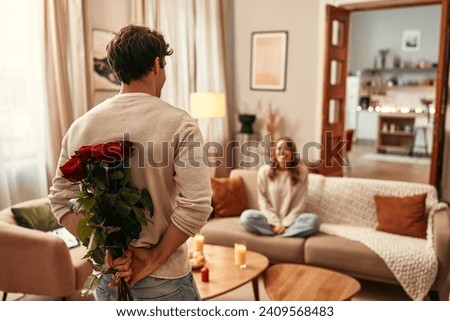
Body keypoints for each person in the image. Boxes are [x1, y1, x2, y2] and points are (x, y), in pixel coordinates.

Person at [48, 24, 212, 300]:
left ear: (117, 69)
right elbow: (197, 206)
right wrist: (152, 259)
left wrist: (104, 249)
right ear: (156, 64)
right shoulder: (179, 123)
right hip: (164, 280)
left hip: (108, 280)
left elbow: (60, 201)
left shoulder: (82, 126)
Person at [240, 137, 320, 237]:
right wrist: (275, 223)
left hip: (292, 221)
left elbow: (299, 204)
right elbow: (263, 202)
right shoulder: (264, 171)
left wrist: (285, 224)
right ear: (274, 152)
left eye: (286, 148)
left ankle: (280, 234)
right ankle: (283, 233)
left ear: (292, 153)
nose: (282, 152)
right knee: (246, 217)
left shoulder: (302, 172)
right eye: (279, 149)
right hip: (268, 220)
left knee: (314, 221)